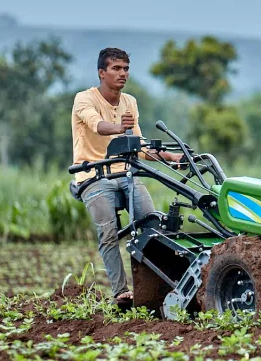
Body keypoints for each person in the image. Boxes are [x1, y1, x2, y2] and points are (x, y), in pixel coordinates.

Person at [71, 47, 181, 307]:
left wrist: (170, 157)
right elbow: (97, 125)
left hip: (125, 172)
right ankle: (121, 292)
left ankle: (155, 290)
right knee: (108, 232)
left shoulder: (130, 102)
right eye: (116, 69)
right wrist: (120, 127)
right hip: (92, 174)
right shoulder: (84, 99)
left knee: (153, 225)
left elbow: (139, 146)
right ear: (102, 73)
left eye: (126, 69)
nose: (123, 74)